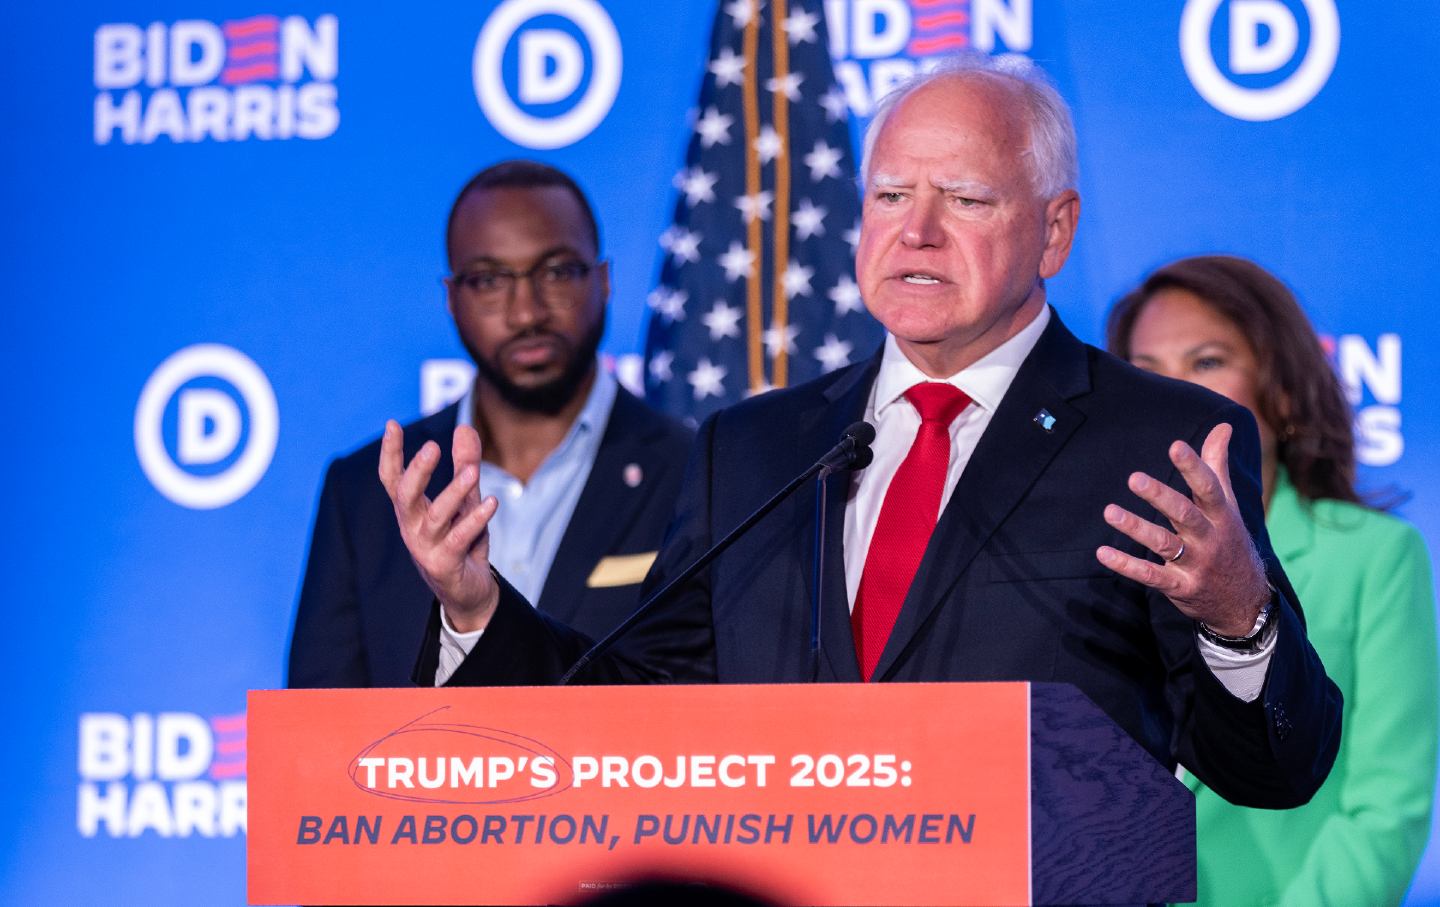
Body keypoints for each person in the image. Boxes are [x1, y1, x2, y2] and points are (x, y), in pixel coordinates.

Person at [378, 54, 1342, 808]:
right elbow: (638, 711)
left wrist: (1237, 618)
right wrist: (475, 608)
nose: (916, 232)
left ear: (1054, 231)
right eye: (890, 196)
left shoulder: (1161, 440)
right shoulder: (751, 448)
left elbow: (1271, 768)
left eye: (964, 199)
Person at [1108, 255, 1438, 905]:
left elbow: (1385, 811)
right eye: (1147, 373)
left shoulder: (1376, 555)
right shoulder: (1097, 556)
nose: (1176, 394)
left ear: (1282, 395)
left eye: (1206, 362)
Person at [288, 160, 693, 687]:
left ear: (605, 281)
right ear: (452, 298)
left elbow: (700, 711)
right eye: (489, 280)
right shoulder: (364, 491)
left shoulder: (693, 472)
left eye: (557, 271)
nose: (527, 312)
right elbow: (321, 738)